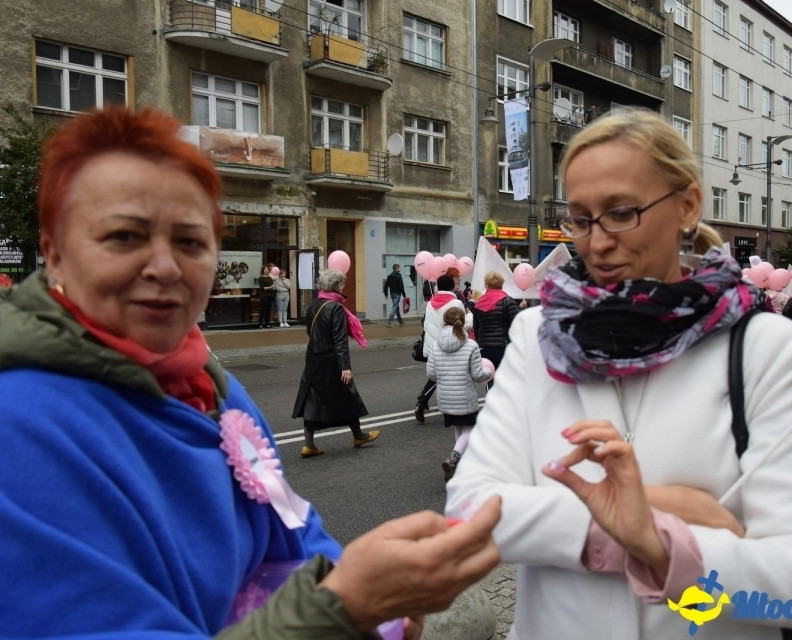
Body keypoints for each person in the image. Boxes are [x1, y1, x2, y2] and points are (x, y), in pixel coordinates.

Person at [0, 105, 503, 639]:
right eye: (124, 236)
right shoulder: (21, 430)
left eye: (190, 242)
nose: (165, 266)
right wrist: (342, 606)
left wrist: (361, 597)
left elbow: (289, 524)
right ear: (54, 253)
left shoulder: (209, 383)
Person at [446, 108, 792, 639]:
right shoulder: (537, 336)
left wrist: (662, 545)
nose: (596, 242)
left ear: (687, 205)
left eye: (620, 213)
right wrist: (654, 516)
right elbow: (471, 507)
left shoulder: (760, 350)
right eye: (581, 219)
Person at [294, 268, 381, 456]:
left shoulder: (313, 304)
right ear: (335, 286)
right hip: (331, 360)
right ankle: (358, 435)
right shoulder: (336, 308)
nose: (343, 286)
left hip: (313, 358)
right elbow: (339, 339)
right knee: (347, 394)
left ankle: (308, 444)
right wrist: (345, 367)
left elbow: (310, 331)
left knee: (312, 398)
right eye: (341, 283)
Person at [426, 307, 493, 481]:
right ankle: (453, 457)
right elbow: (478, 375)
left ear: (444, 322)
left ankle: (459, 464)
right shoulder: (471, 345)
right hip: (464, 396)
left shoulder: (435, 344)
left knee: (459, 428)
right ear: (463, 322)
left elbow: (431, 374)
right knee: (470, 430)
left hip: (445, 397)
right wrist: (489, 371)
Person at [414, 274, 472, 423]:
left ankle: (424, 402)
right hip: (450, 344)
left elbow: (426, 324)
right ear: (452, 286)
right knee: (451, 376)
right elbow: (462, 325)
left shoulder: (430, 303)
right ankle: (426, 402)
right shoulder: (456, 303)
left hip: (433, 345)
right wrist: (471, 315)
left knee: (439, 375)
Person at [472, 270, 521, 388]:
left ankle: (491, 403)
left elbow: (476, 327)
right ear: (501, 284)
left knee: (489, 379)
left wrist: (481, 342)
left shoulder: (478, 303)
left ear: (487, 285)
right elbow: (516, 325)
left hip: (484, 347)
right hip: (503, 346)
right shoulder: (508, 301)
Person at [384, 263, 406, 327]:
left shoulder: (389, 276)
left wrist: (386, 294)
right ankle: (389, 322)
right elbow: (401, 287)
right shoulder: (399, 276)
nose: (400, 269)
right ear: (396, 268)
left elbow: (386, 286)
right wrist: (404, 295)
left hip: (392, 294)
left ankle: (400, 321)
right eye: (399, 267)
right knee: (394, 307)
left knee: (396, 307)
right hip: (397, 294)